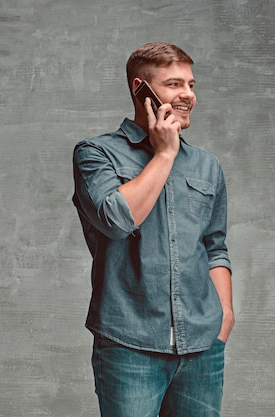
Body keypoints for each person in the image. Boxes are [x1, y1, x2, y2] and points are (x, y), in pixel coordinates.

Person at [72, 42, 234, 417]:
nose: (188, 95)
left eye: (192, 85)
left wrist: (224, 315)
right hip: (129, 345)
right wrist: (164, 154)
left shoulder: (207, 166)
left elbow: (215, 246)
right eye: (175, 85)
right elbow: (116, 220)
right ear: (139, 88)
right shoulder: (96, 154)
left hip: (201, 349)